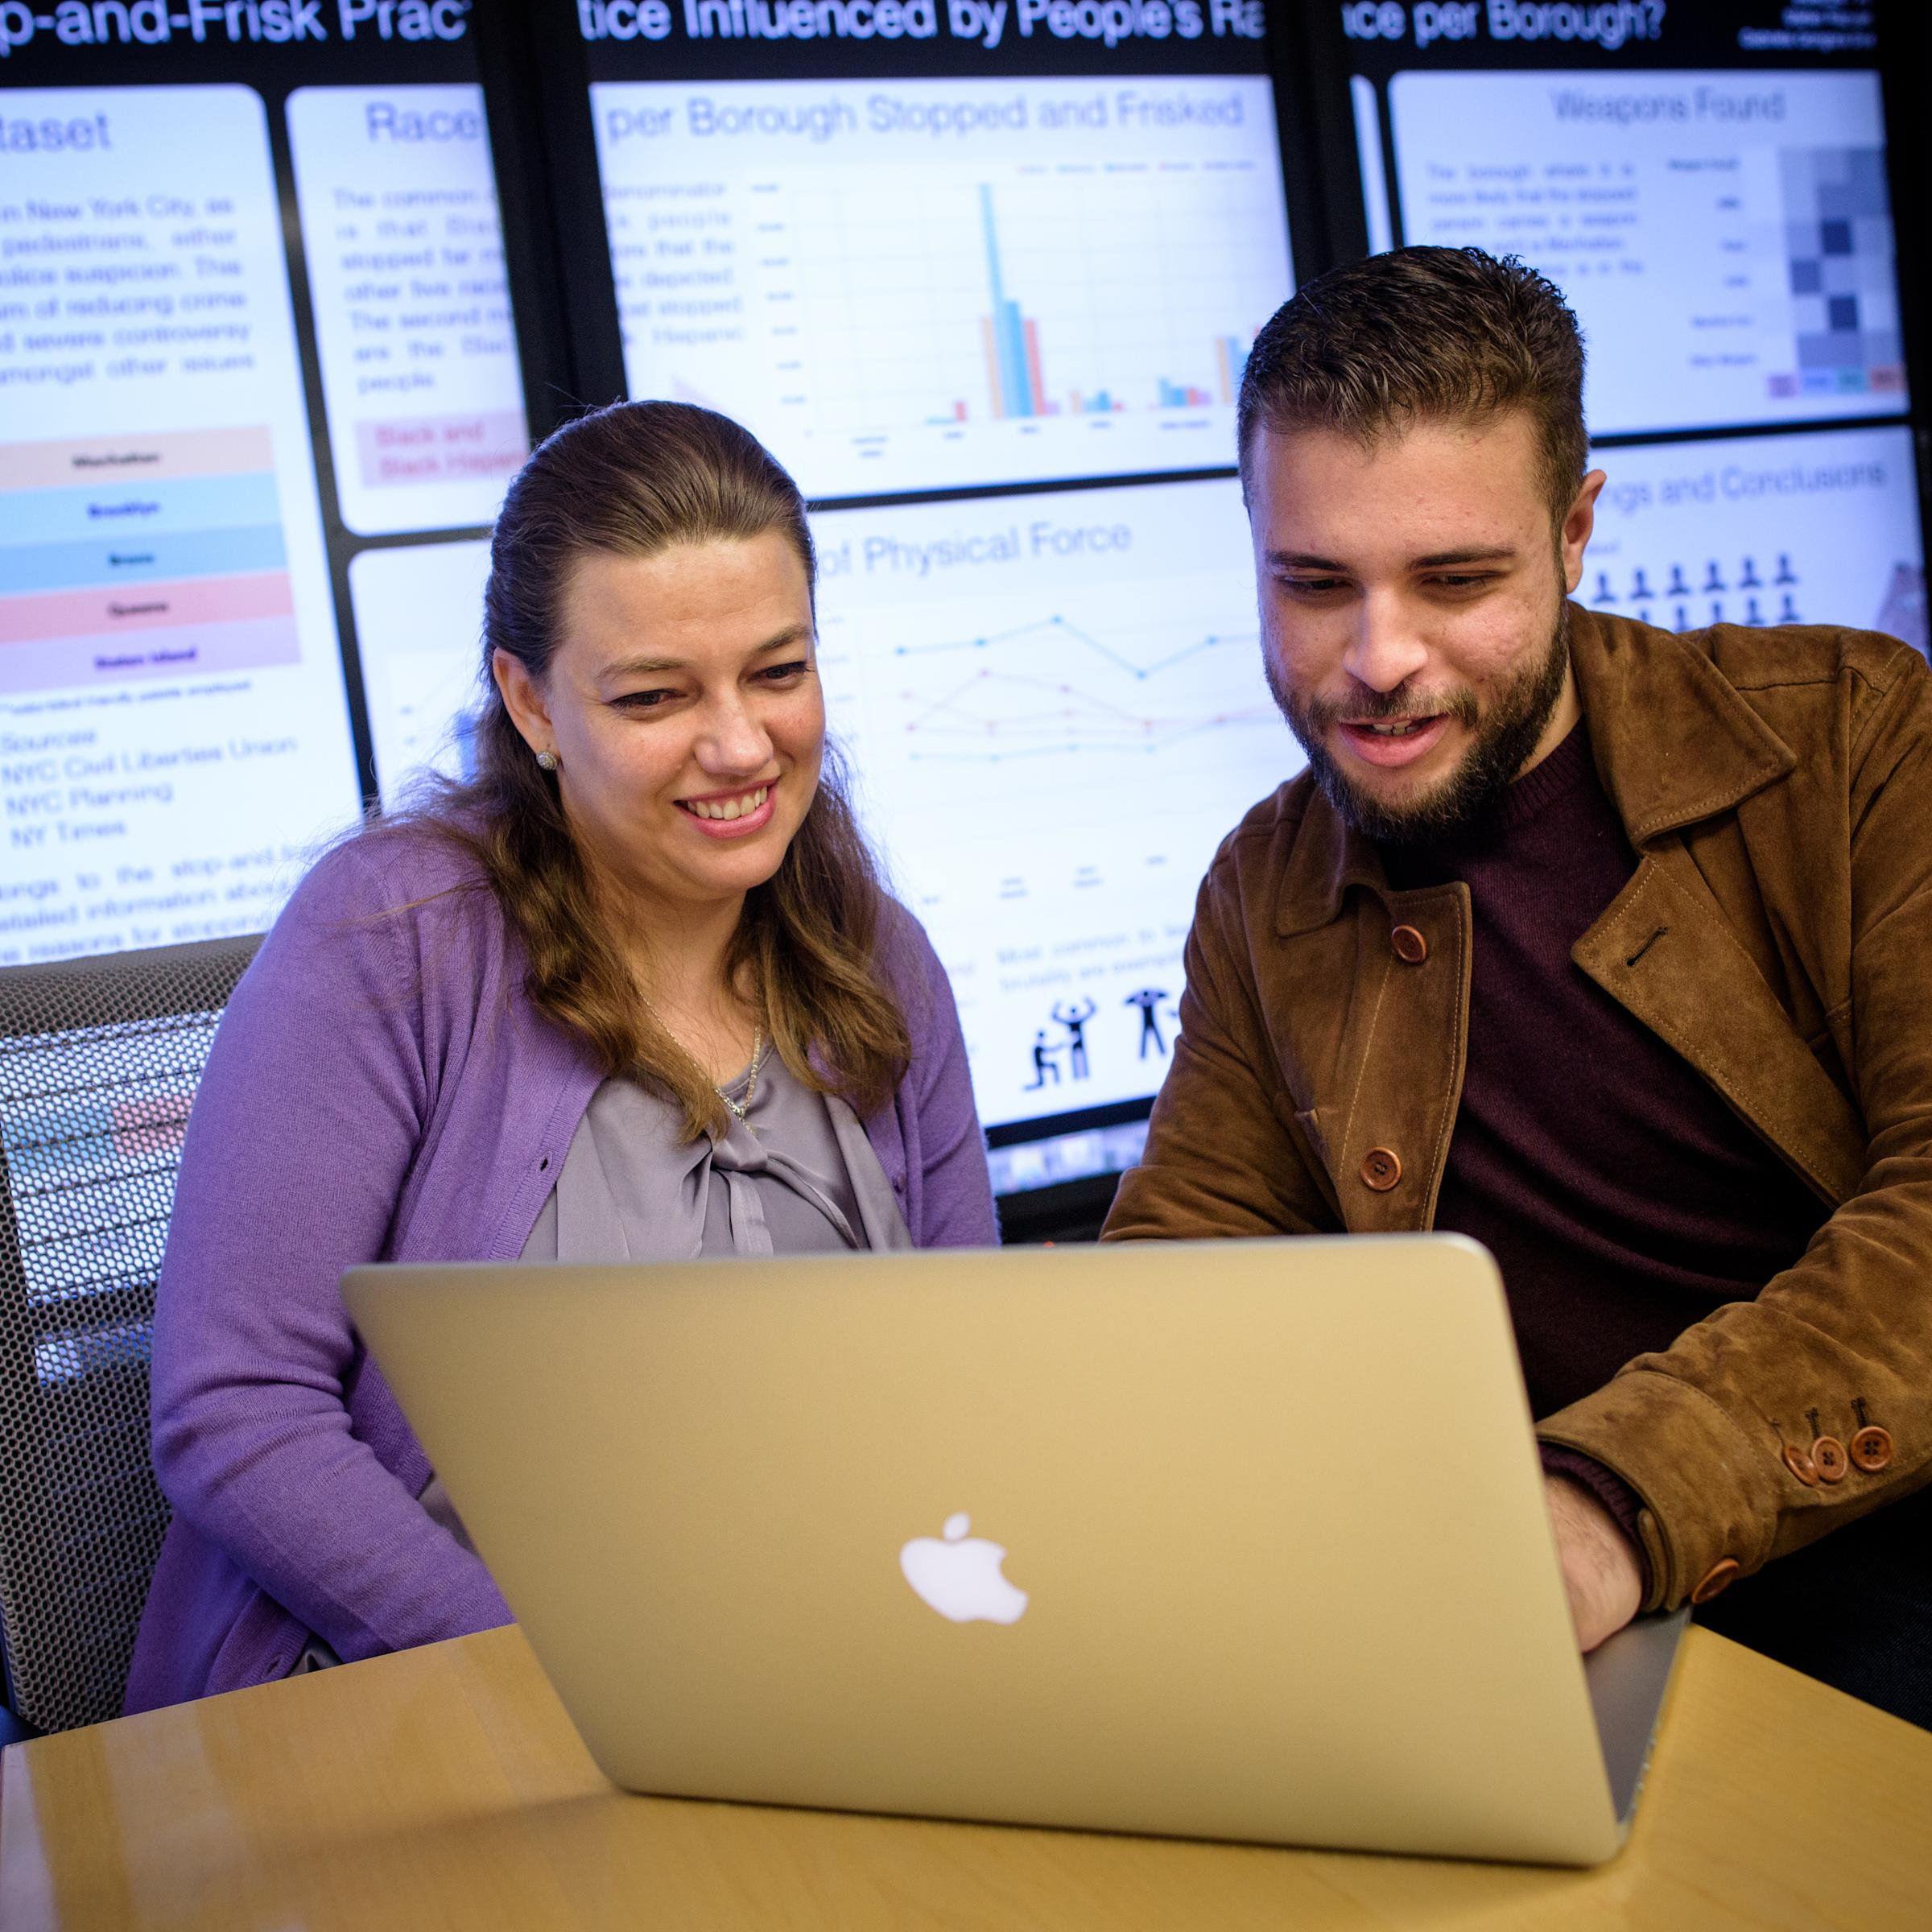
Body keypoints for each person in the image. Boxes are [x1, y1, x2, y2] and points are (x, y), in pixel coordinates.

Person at [1104, 247, 1932, 1727]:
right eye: (1311, 585)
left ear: (1575, 530)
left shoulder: (1859, 744)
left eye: (1456, 579)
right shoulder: (1266, 888)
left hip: (1868, 1567)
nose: (1379, 660)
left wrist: (1605, 1505)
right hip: (1524, 1632)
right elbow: (1188, 1281)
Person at [125, 402, 997, 1712]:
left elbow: (975, 1376)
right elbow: (234, 1409)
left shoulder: (878, 959)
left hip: (810, 1685)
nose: (740, 746)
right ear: (529, 700)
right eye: (654, 695)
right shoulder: (393, 940)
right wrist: (563, 1683)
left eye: (778, 671)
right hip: (434, 1692)